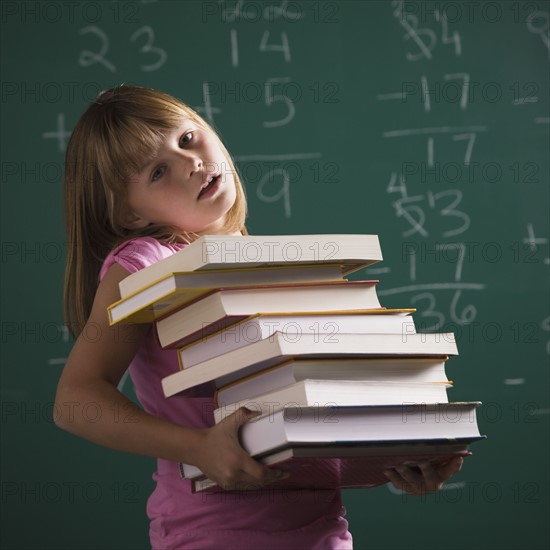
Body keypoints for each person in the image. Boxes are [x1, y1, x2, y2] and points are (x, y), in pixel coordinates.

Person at [54, 85, 463, 549]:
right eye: (158, 172)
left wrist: (400, 451)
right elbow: (75, 399)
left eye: (187, 140)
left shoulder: (265, 264)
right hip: (214, 533)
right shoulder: (143, 261)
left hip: (323, 531)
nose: (191, 164)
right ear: (129, 214)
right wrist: (198, 448)